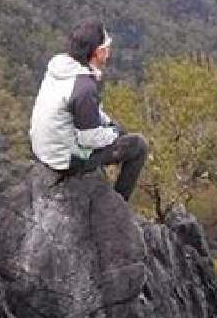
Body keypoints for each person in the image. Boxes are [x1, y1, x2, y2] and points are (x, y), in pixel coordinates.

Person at [29, 18, 149, 201]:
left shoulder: (60, 68)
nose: (108, 52)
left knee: (114, 130)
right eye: (106, 48)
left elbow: (84, 112)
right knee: (138, 146)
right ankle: (118, 204)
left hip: (44, 148)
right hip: (63, 160)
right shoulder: (84, 87)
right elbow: (89, 138)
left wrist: (112, 127)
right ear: (97, 52)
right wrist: (115, 133)